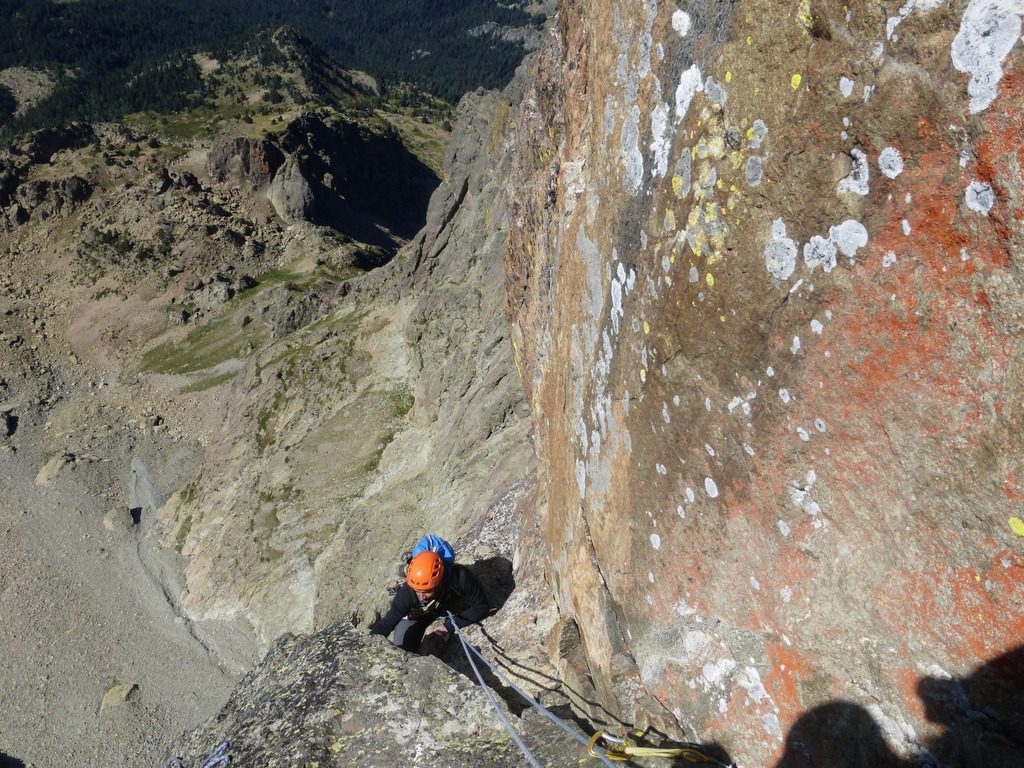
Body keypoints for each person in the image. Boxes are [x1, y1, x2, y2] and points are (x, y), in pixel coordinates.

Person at [369, 550, 489, 653]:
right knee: (402, 647)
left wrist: (448, 626)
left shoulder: (459, 577)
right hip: (421, 614)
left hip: (443, 606)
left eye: (427, 591)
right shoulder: (407, 593)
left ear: (439, 582)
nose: (422, 597)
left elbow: (481, 607)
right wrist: (368, 645)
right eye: (418, 591)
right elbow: (387, 622)